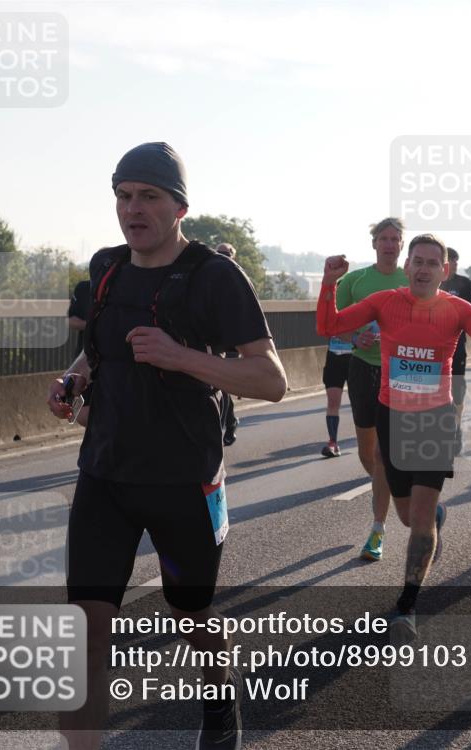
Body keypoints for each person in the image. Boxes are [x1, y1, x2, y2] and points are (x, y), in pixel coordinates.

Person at [46, 142, 287, 750]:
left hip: (185, 480)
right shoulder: (106, 269)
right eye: (123, 196)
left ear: (179, 206)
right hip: (105, 474)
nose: (134, 208)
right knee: (86, 632)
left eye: (148, 196)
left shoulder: (213, 276)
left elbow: (272, 380)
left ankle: (219, 696)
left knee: (192, 617)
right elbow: (99, 350)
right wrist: (75, 379)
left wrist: (182, 358)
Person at [317, 234, 471, 640]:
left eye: (433, 263)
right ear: (408, 267)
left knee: (420, 520)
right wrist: (329, 284)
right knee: (407, 517)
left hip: (434, 422)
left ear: (445, 271)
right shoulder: (385, 302)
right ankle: (433, 521)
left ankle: (407, 604)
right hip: (392, 416)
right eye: (418, 261)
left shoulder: (457, 308)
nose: (424, 269)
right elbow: (329, 326)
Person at [337, 218, 409, 560]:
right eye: (384, 238)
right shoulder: (355, 281)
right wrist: (354, 338)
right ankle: (385, 486)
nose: (390, 244)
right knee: (369, 453)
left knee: (385, 455)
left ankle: (377, 529)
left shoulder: (414, 279)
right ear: (374, 244)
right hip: (363, 368)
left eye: (396, 238)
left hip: (403, 372)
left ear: (402, 244)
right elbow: (332, 327)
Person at [440, 247, 471, 450]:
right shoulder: (432, 280)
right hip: (431, 350)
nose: (454, 264)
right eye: (450, 260)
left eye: (456, 260)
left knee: (457, 392)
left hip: (457, 349)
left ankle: (456, 429)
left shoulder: (464, 284)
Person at [214, 243, 240, 445]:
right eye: (219, 253)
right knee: (219, 386)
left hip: (233, 343)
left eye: (226, 254)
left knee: (222, 385)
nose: (222, 257)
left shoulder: (239, 279)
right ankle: (229, 423)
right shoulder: (207, 277)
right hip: (213, 341)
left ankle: (225, 426)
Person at [68, 279, 91, 356]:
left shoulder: (124, 288)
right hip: (84, 356)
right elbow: (71, 321)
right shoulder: (83, 287)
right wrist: (93, 326)